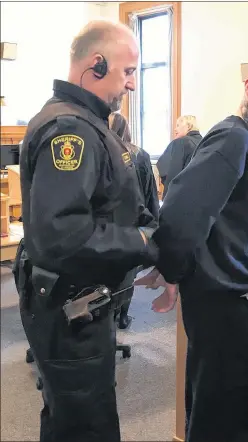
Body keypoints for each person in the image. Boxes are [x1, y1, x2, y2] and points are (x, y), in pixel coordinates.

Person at [135, 50, 248, 442]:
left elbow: (207, 219)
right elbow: (181, 210)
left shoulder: (243, 138)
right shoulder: (233, 137)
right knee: (221, 416)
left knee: (214, 406)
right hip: (219, 304)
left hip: (220, 299)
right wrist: (171, 272)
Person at [15, 20, 158, 442]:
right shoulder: (72, 130)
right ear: (97, 65)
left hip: (76, 299)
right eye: (128, 71)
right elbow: (63, 233)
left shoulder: (84, 121)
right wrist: (144, 243)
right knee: (86, 424)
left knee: (70, 415)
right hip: (69, 304)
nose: (132, 84)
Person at [109, 112, 159, 328]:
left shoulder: (102, 152)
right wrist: (155, 224)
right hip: (134, 219)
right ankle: (122, 315)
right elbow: (150, 194)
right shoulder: (141, 155)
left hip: (107, 222)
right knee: (128, 269)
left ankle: (106, 312)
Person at [156, 115, 202, 199]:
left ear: (188, 126)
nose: (175, 129)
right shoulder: (204, 142)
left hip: (181, 197)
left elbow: (170, 172)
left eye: (178, 125)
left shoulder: (180, 143)